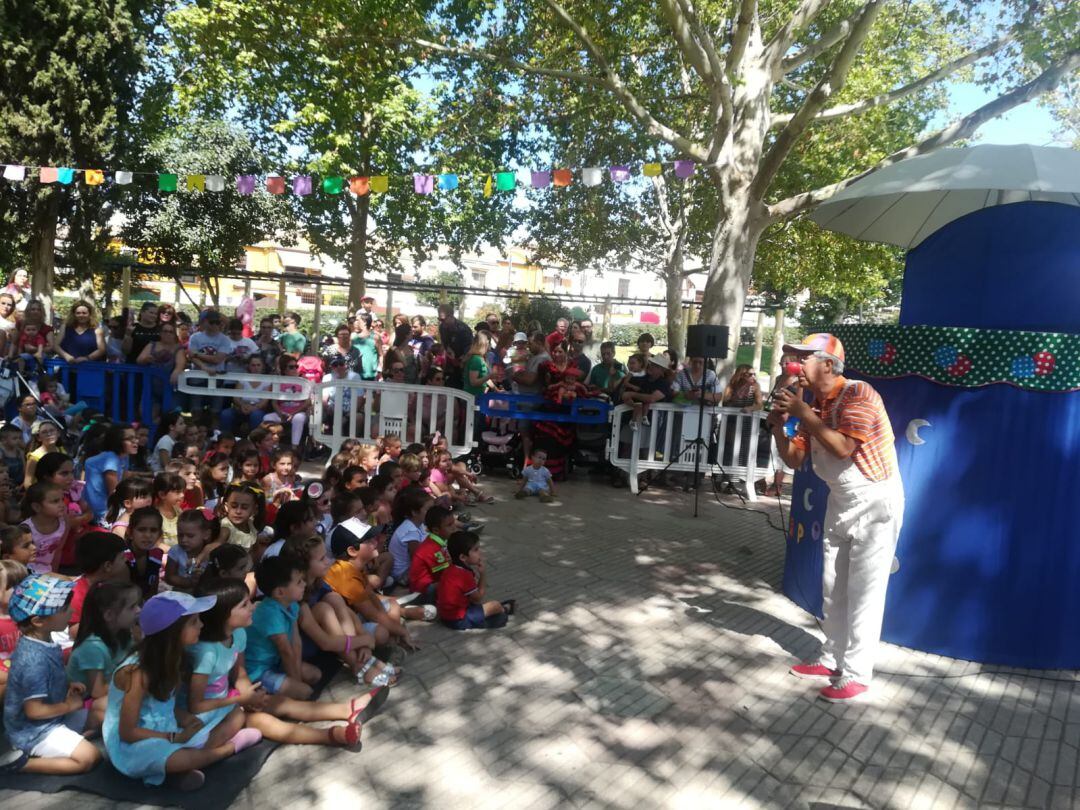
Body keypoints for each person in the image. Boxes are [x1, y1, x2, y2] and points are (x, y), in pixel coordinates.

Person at [769, 334, 904, 704]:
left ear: (827, 364)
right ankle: (831, 658)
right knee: (833, 585)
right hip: (841, 502)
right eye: (791, 358)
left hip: (875, 503)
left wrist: (802, 414)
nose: (791, 364)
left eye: (801, 357)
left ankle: (858, 674)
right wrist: (780, 425)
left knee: (864, 591)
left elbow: (843, 447)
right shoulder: (814, 404)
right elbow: (794, 461)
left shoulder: (859, 394)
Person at [102, 591, 261, 790]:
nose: (201, 625)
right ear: (173, 631)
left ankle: (178, 766)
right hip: (137, 742)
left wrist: (185, 719)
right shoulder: (137, 672)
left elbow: (162, 705)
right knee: (172, 757)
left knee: (236, 714)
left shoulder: (175, 657)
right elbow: (127, 732)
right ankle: (227, 749)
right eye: (194, 622)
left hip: (169, 728)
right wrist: (173, 738)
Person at [188, 578, 366, 748]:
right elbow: (195, 705)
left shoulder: (239, 634)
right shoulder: (206, 653)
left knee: (281, 703)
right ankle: (331, 736)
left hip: (228, 703)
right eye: (244, 605)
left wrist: (249, 694)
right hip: (203, 716)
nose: (252, 607)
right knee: (264, 721)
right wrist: (241, 699)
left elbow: (240, 673)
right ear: (222, 616)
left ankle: (345, 709)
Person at [2, 574, 103, 775]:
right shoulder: (33, 660)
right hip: (33, 731)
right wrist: (68, 705)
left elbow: (51, 675)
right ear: (39, 621)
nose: (72, 611)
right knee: (90, 758)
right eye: (65, 609)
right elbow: (34, 711)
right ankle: (18, 764)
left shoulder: (44, 640)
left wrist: (68, 684)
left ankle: (68, 741)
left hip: (53, 718)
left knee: (102, 716)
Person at [66, 580, 141, 726]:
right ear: (109, 615)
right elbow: (97, 692)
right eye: (132, 607)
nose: (139, 610)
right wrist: (132, 683)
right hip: (83, 705)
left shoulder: (123, 635)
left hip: (108, 694)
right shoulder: (93, 647)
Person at [245, 556, 321, 700]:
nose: (304, 584)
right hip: (257, 671)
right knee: (304, 692)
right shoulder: (270, 613)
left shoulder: (291, 604)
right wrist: (297, 684)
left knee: (315, 675)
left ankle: (288, 693)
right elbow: (285, 651)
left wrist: (296, 679)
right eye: (299, 582)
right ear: (280, 592)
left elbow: (296, 643)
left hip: (275, 662)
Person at [437, 531, 513, 630]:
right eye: (476, 550)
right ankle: (504, 610)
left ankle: (499, 612)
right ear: (463, 557)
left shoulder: (452, 568)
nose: (480, 552)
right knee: (495, 606)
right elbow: (478, 597)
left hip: (445, 615)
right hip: (457, 619)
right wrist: (483, 573)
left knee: (487, 608)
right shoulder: (463, 575)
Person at [84, 423, 138, 522]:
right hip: (101, 513)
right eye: (130, 439)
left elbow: (125, 478)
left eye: (135, 437)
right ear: (118, 441)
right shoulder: (110, 458)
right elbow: (114, 492)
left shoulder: (124, 456)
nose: (136, 441)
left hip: (109, 506)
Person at [186, 311, 232, 417]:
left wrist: (197, 354)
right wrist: (203, 366)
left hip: (217, 377)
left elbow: (217, 359)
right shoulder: (195, 337)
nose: (215, 325)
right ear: (205, 322)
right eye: (212, 322)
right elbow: (191, 357)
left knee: (215, 411)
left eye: (218, 322)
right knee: (196, 409)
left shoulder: (225, 339)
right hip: (197, 377)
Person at [622, 355, 673, 427]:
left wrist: (632, 394)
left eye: (655, 366)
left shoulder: (664, 384)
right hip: (634, 420)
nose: (651, 366)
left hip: (656, 423)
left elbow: (651, 398)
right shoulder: (643, 378)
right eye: (651, 364)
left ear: (662, 371)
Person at [55, 300, 106, 365]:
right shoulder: (65, 327)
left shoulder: (97, 330)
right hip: (67, 369)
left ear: (90, 314)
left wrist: (87, 358)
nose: (81, 315)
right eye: (78, 313)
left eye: (84, 313)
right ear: (74, 314)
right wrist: (66, 356)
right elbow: (56, 345)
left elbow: (102, 350)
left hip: (90, 369)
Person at [436, 304, 473, 388]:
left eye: (443, 319)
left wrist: (460, 360)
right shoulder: (442, 327)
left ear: (451, 316)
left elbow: (470, 349)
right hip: (450, 365)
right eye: (439, 319)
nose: (441, 322)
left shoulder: (463, 329)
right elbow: (445, 344)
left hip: (463, 365)